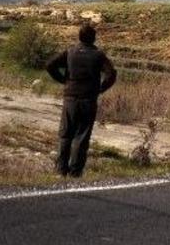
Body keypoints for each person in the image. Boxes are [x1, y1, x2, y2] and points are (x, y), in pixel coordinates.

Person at [46, 24, 117, 177]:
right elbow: (111, 74)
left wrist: (63, 81)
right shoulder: (98, 55)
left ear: (79, 37)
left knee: (65, 134)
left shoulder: (71, 52)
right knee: (81, 135)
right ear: (94, 38)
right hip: (88, 99)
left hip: (70, 98)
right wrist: (100, 89)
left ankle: (60, 171)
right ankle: (75, 172)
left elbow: (50, 65)